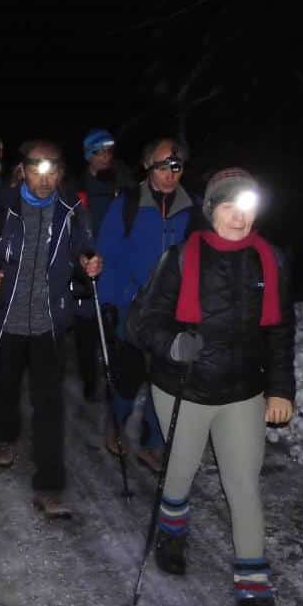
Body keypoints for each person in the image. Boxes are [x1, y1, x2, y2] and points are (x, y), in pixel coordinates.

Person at [128, 168, 296, 606]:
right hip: (184, 387)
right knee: (179, 473)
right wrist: (174, 344)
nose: (238, 217)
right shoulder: (182, 257)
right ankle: (173, 528)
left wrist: (281, 388)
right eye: (228, 207)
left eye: (246, 208)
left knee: (243, 486)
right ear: (211, 211)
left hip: (244, 392)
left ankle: (254, 591)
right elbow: (142, 321)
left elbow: (281, 333)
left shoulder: (272, 261)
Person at [0, 140, 103, 518]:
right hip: (6, 320)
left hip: (50, 323)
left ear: (60, 173)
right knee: (7, 391)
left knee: (50, 406)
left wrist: (89, 264)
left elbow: (84, 251)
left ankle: (50, 486)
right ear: (23, 170)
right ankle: (5, 436)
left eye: (53, 171)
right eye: (37, 170)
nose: (45, 180)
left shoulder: (72, 211)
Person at [95, 136, 200, 472]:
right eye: (162, 165)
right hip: (131, 303)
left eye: (176, 166)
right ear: (146, 166)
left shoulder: (193, 209)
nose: (170, 173)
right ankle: (117, 422)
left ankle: (152, 443)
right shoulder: (127, 204)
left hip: (172, 309)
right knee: (128, 374)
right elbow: (107, 253)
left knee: (166, 376)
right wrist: (109, 302)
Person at [72, 128, 135, 401]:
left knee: (116, 330)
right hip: (86, 266)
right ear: (89, 156)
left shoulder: (125, 185)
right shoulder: (77, 188)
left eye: (109, 150)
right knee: (86, 328)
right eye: (99, 152)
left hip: (118, 267)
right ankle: (90, 385)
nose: (105, 156)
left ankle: (118, 385)